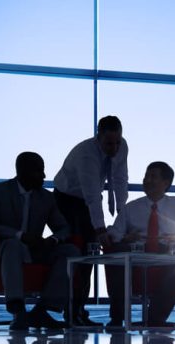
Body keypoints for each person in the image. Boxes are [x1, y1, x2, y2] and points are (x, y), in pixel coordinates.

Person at [0, 152, 78, 331]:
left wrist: (52, 240)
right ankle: (18, 310)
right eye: (38, 171)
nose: (44, 176)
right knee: (13, 245)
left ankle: (42, 310)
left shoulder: (46, 197)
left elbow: (63, 228)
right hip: (9, 251)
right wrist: (19, 235)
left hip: (37, 249)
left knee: (71, 252)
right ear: (22, 172)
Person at [53, 115, 129, 326]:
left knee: (90, 251)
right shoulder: (87, 154)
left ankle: (77, 309)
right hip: (67, 200)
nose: (114, 148)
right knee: (83, 252)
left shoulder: (122, 146)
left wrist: (123, 215)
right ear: (98, 138)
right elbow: (92, 196)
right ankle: (73, 311)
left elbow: (121, 179)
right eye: (108, 143)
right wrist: (100, 228)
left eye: (117, 142)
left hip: (86, 200)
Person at [104, 161, 175, 329]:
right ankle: (117, 318)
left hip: (167, 251)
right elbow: (115, 233)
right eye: (146, 176)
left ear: (166, 183)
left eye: (153, 176)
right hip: (136, 250)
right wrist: (126, 237)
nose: (147, 180)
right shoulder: (131, 208)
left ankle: (155, 319)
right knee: (117, 254)